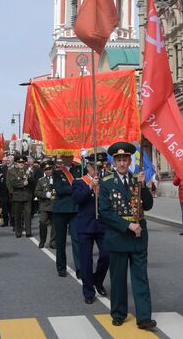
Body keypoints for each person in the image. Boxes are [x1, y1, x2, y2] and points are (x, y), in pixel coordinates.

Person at [99, 142, 156, 331]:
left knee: (140, 277)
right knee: (118, 278)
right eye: (119, 160)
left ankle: (144, 317)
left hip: (139, 236)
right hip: (118, 236)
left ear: (130, 160)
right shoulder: (106, 182)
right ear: (114, 162)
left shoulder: (136, 179)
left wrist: (144, 186)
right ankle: (118, 313)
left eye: (125, 160)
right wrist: (127, 225)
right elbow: (105, 212)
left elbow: (147, 206)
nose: (122, 163)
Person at [72, 151, 109, 304]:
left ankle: (97, 280)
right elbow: (77, 199)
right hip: (85, 225)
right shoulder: (79, 182)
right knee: (86, 260)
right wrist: (90, 186)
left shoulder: (106, 182)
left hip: (102, 225)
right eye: (95, 167)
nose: (98, 170)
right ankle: (88, 291)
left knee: (107, 255)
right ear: (88, 167)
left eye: (100, 167)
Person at [53, 155, 81, 278]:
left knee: (77, 240)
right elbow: (60, 190)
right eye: (65, 156)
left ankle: (80, 268)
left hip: (75, 210)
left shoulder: (79, 170)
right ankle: (61, 267)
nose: (68, 158)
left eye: (70, 156)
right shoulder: (57, 172)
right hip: (61, 211)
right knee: (61, 241)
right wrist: (75, 187)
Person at [8, 154, 33, 238]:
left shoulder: (28, 170)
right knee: (17, 215)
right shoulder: (11, 171)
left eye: (22, 162)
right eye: (19, 162)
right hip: (17, 195)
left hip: (27, 195)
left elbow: (33, 182)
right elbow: (12, 183)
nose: (21, 163)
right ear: (16, 163)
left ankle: (28, 231)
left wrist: (30, 176)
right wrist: (22, 183)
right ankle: (18, 231)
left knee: (28, 214)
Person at [35, 160, 56, 249]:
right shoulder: (41, 180)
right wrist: (45, 195)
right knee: (42, 222)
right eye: (46, 169)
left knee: (55, 225)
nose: (48, 171)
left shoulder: (58, 178)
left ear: (53, 169)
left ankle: (53, 242)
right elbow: (36, 192)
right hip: (45, 205)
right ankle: (42, 240)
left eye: (50, 169)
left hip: (55, 205)